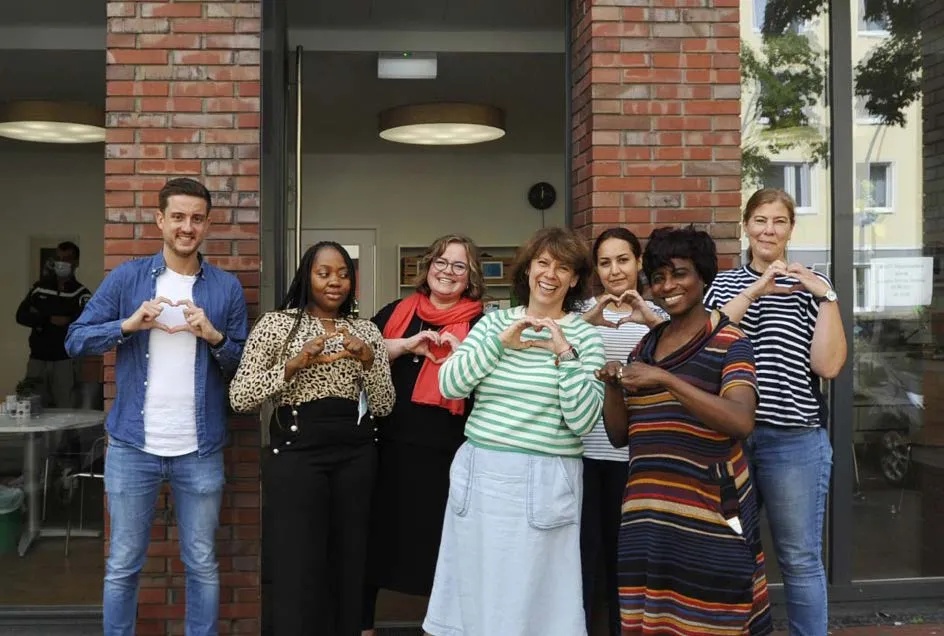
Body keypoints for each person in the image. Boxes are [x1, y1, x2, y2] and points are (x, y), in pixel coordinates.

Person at [65, 177, 248, 636]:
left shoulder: (225, 289)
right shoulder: (127, 279)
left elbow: (245, 365)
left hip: (200, 450)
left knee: (202, 562)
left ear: (207, 224)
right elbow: (75, 339)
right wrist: (126, 326)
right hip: (132, 447)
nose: (188, 227)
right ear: (160, 219)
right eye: (179, 217)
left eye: (197, 218)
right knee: (123, 563)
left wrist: (215, 337)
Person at [422, 227, 606, 636]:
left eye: (563, 267)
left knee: (538, 599)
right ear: (527, 271)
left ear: (575, 279)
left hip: (547, 475)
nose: (550, 274)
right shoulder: (492, 324)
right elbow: (450, 384)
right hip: (483, 471)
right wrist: (500, 344)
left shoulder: (585, 337)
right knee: (476, 588)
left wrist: (564, 356)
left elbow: (583, 420)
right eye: (542, 263)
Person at [597, 225, 772, 635]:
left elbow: (740, 420)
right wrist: (611, 386)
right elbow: (621, 437)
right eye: (658, 277)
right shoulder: (647, 345)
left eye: (680, 274)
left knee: (714, 617)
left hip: (710, 514)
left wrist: (668, 381)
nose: (667, 286)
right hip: (648, 517)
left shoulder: (731, 342)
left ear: (704, 276)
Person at [230, 241, 395, 636]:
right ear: (307, 276)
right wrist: (293, 364)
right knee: (297, 559)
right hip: (296, 453)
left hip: (356, 454)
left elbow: (385, 405)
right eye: (324, 273)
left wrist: (369, 360)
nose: (334, 282)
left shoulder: (366, 330)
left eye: (343, 274)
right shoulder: (277, 325)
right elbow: (240, 396)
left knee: (349, 558)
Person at [705, 188, 847, 636]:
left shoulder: (814, 286)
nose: (769, 229)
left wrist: (827, 297)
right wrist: (757, 288)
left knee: (799, 557)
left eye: (779, 221)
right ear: (746, 225)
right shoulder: (726, 284)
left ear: (790, 228)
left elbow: (828, 365)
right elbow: (707, 342)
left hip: (794, 441)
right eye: (761, 220)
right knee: (731, 550)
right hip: (731, 441)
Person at [361, 235, 484, 635]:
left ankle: (444, 627)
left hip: (450, 453)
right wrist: (405, 345)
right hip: (390, 448)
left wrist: (462, 352)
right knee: (377, 541)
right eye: (441, 262)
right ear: (428, 266)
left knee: (444, 549)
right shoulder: (396, 312)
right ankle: (365, 625)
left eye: (458, 266)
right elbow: (360, 357)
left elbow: (489, 381)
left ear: (471, 277)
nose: (447, 271)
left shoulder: (484, 325)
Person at [578, 227, 666, 635]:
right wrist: (587, 322)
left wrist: (649, 319)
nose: (615, 271)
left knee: (623, 562)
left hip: (632, 459)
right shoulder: (579, 313)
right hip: (580, 453)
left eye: (623, 260)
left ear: (639, 262)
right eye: (605, 262)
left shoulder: (661, 316)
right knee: (581, 560)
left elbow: (679, 370)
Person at [16, 240, 91, 408]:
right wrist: (47, 319)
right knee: (31, 408)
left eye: (67, 258)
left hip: (64, 361)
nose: (62, 262)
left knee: (65, 410)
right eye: (58, 258)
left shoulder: (81, 293)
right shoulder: (39, 288)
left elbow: (87, 322)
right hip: (37, 360)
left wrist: (67, 320)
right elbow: (21, 315)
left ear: (76, 262)